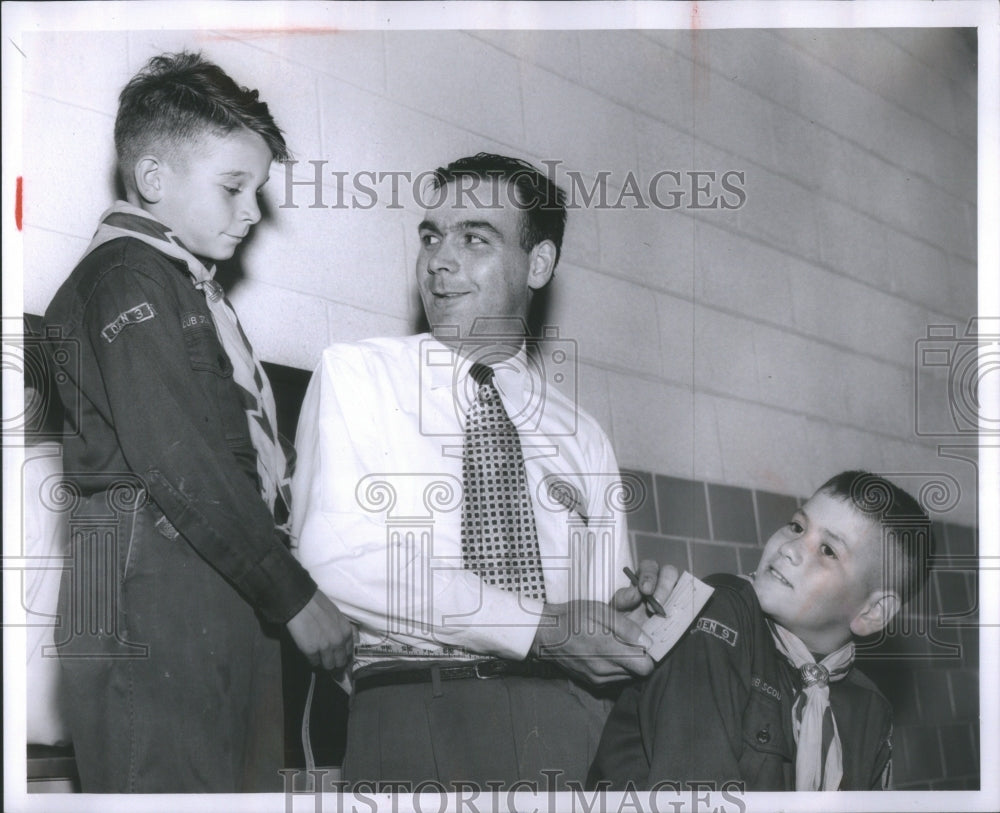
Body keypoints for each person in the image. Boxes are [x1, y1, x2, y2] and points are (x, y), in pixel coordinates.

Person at [291, 153, 675, 791]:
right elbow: (336, 560)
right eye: (431, 235)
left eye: (475, 238)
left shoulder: (583, 436)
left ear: (540, 263)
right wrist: (538, 628)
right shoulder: (357, 374)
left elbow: (600, 614)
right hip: (416, 710)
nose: (440, 259)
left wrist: (643, 613)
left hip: (574, 727)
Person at [42, 52, 353, 793]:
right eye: (233, 186)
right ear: (154, 179)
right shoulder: (127, 275)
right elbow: (177, 458)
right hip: (151, 589)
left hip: (212, 586)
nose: (251, 210)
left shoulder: (180, 285)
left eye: (258, 190)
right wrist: (295, 595)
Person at [588, 470, 934, 792]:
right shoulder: (719, 609)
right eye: (797, 527)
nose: (789, 548)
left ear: (872, 612)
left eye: (827, 550)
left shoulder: (871, 709)